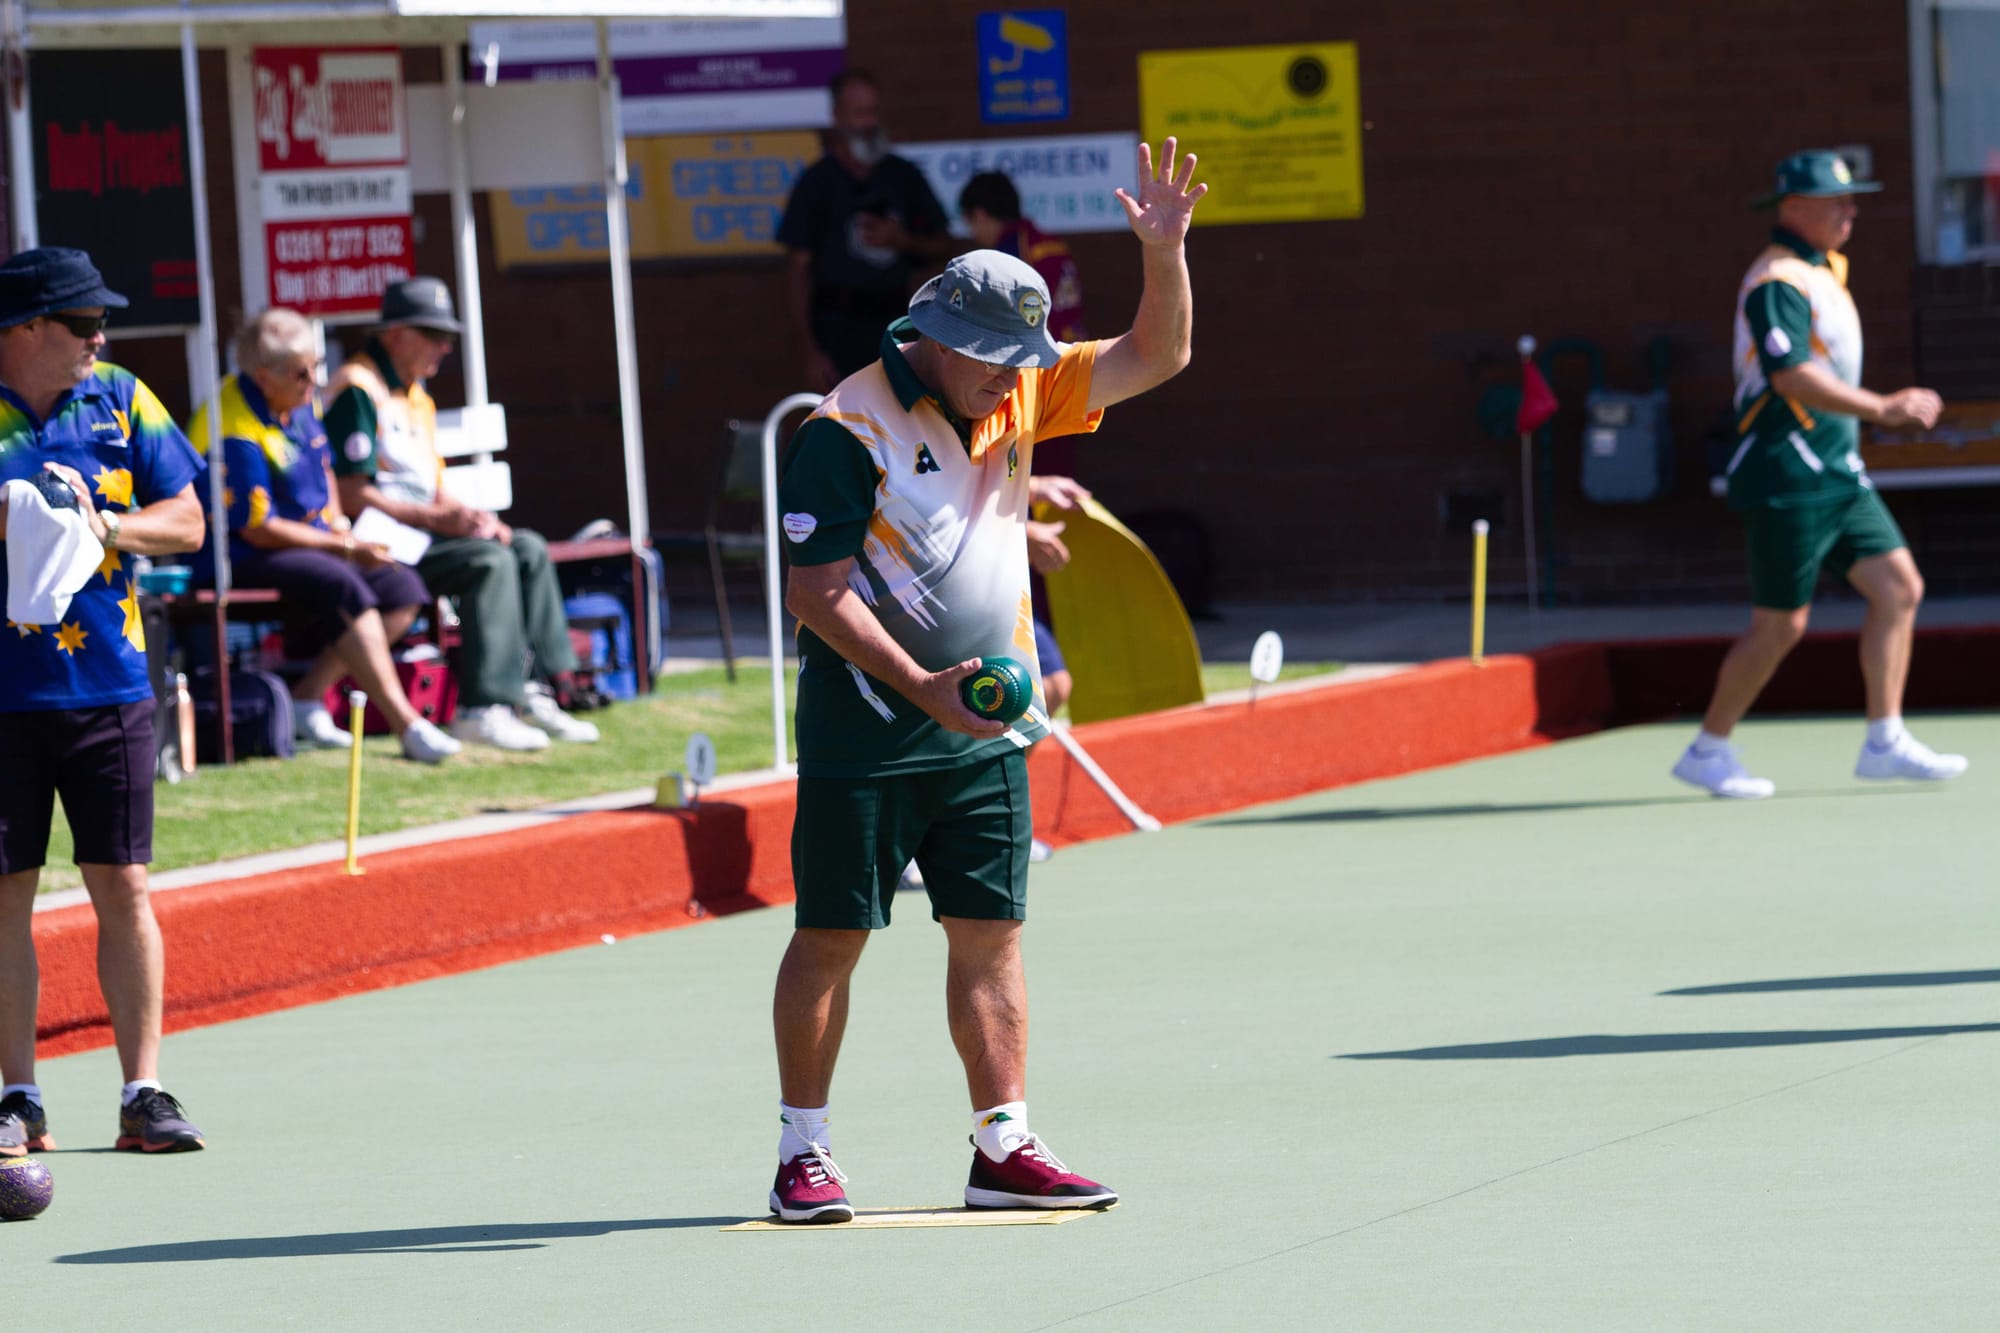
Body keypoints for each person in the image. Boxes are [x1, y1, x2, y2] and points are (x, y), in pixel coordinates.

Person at [766, 138, 1206, 1223]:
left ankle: (1001, 1146)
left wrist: (1163, 252)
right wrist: (921, 684)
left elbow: (1159, 356)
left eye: (1025, 358)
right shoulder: (844, 428)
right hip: (867, 725)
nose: (1018, 376)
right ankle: (801, 1153)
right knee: (831, 936)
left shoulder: (1015, 394)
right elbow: (814, 594)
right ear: (934, 340)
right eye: (996, 359)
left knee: (989, 935)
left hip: (981, 730)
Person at [1672, 151, 1967, 799]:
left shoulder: (1818, 272)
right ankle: (1708, 748)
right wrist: (1885, 409)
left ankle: (1884, 739)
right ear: (1794, 209)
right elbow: (1791, 376)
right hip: (1787, 470)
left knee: (1899, 587)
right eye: (1838, 201)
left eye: (1852, 199)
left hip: (1836, 469)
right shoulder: (1777, 280)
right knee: (1782, 624)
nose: (1851, 211)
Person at [0, 246, 208, 1155]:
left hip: (110, 683)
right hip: (3, 696)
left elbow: (191, 521)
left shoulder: (123, 395)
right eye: (85, 324)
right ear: (27, 329)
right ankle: (17, 1096)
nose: (101, 338)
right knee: (6, 895)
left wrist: (108, 526)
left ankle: (144, 1091)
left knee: (122, 884)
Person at [327, 277, 598, 751]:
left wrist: (478, 519)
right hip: (379, 546)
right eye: (434, 336)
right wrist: (437, 521)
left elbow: (434, 489)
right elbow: (351, 495)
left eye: (448, 337)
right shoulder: (358, 389)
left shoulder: (415, 395)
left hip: (420, 536)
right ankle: (483, 708)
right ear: (396, 335)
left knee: (524, 546)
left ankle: (541, 685)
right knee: (488, 563)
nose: (445, 348)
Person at [188, 308, 459, 763]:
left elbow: (325, 467)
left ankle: (309, 696)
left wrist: (338, 525)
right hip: (240, 554)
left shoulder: (298, 401)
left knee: (401, 586)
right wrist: (345, 547)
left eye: (316, 367)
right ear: (263, 375)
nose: (313, 380)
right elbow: (260, 528)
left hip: (314, 542)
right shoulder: (233, 428)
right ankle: (407, 725)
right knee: (343, 583)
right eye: (302, 372)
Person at [778, 69, 955, 391]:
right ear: (837, 118)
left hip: (897, 326)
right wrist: (810, 351)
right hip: (835, 331)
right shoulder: (816, 183)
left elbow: (944, 245)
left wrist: (903, 241)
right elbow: (797, 271)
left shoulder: (903, 177)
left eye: (874, 111)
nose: (869, 122)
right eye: (859, 113)